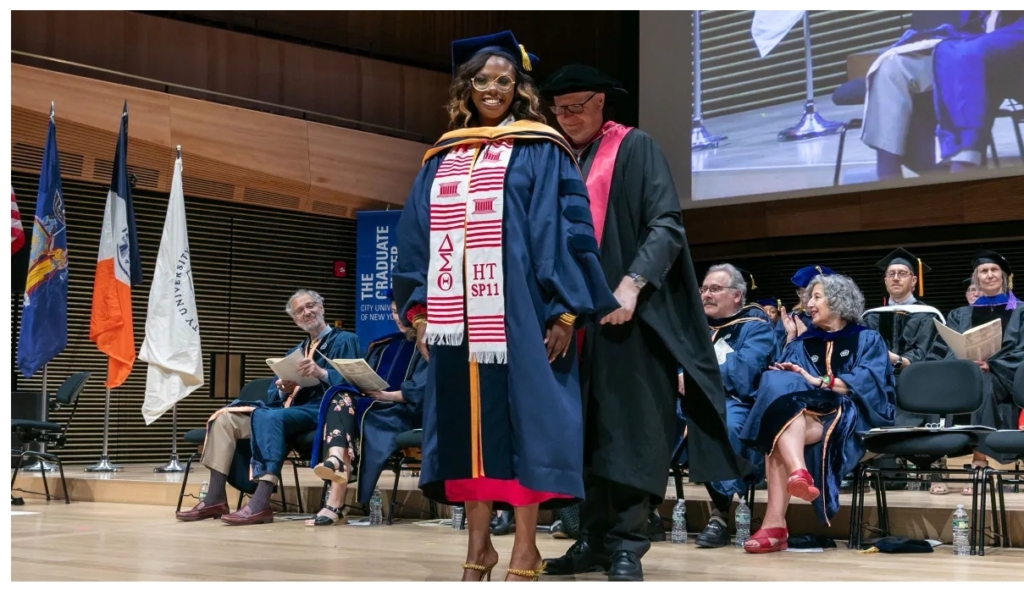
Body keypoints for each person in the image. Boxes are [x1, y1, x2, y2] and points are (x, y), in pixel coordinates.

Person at [392, 32, 619, 581]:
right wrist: (420, 312)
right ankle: (478, 548)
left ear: (519, 88)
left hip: (522, 314)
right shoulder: (442, 157)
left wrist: (565, 309)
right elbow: (417, 238)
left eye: (504, 80)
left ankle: (524, 548)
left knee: (526, 427)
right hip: (455, 319)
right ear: (465, 88)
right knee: (466, 428)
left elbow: (566, 230)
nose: (492, 89)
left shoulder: (541, 148)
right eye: (482, 80)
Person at [538, 64, 744, 581]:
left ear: (601, 101)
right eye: (559, 110)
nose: (567, 118)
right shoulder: (555, 158)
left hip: (630, 319)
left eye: (576, 107)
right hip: (570, 322)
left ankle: (629, 541)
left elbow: (666, 224)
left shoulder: (634, 148)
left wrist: (631, 285)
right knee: (581, 432)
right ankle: (590, 537)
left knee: (630, 432)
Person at [175, 289, 360, 525]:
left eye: (310, 306)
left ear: (321, 307)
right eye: (300, 311)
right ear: (295, 319)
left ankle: (260, 502)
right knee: (223, 418)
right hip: (290, 410)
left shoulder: (346, 340)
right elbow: (275, 395)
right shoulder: (295, 351)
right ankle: (215, 498)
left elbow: (353, 383)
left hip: (321, 410)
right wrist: (283, 387)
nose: (307, 312)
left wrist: (322, 373)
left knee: (267, 418)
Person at [740, 273, 895, 553]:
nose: (808, 303)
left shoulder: (867, 338)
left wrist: (818, 382)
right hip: (805, 415)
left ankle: (774, 525)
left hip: (850, 411)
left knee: (776, 430)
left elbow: (870, 380)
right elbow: (785, 392)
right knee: (778, 401)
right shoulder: (801, 343)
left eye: (816, 297)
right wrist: (790, 372)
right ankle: (798, 474)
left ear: (838, 301)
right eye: (808, 297)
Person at [676, 264, 775, 549]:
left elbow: (744, 372)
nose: (706, 295)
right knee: (650, 422)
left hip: (733, 401)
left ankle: (720, 514)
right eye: (703, 289)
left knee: (726, 425)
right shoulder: (694, 327)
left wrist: (694, 378)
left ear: (737, 295)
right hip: (683, 402)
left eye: (715, 289)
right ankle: (644, 511)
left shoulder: (755, 327)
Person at [307, 290, 425, 526]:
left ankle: (334, 502)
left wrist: (384, 395)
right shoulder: (383, 344)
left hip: (400, 411)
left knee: (346, 413)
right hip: (369, 405)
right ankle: (337, 462)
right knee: (339, 395)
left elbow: (421, 390)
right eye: (392, 311)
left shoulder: (426, 346)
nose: (396, 317)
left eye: (400, 312)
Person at [861, 11, 1024, 178]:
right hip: (978, 34)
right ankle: (889, 179)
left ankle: (963, 165)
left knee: (961, 55)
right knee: (893, 66)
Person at [928, 251, 1024, 492]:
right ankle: (944, 464)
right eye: (984, 271)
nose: (989, 275)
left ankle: (981, 462)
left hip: (1005, 377)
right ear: (977, 278)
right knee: (948, 387)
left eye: (994, 270)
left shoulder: (1021, 311)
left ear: (1003, 276)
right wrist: (965, 363)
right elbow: (945, 347)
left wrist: (992, 364)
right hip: (964, 374)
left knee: (985, 382)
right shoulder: (961, 314)